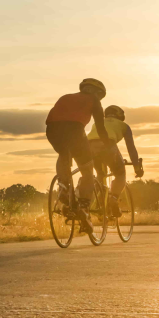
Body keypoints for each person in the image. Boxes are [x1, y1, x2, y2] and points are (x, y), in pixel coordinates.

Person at [45, 78, 111, 235]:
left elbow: (54, 117)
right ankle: (83, 206)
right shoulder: (94, 100)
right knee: (87, 171)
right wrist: (107, 145)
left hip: (52, 130)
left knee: (63, 153)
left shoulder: (65, 97)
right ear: (97, 92)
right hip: (75, 130)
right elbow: (100, 127)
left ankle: (63, 186)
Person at [88, 105, 144, 217]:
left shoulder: (97, 123)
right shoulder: (124, 126)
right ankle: (113, 199)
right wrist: (137, 167)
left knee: (100, 174)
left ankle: (92, 202)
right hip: (108, 146)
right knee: (120, 174)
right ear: (120, 115)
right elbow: (131, 148)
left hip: (89, 146)